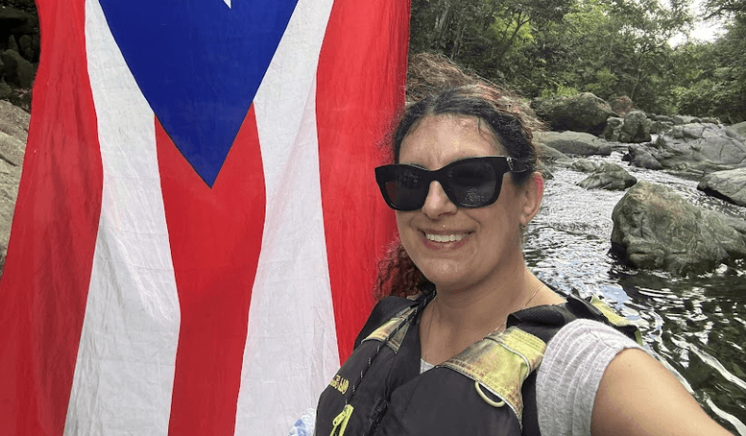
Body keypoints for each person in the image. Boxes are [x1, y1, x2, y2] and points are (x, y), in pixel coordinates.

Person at [306, 54, 733, 436]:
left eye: (470, 178)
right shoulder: (389, 321)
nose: (434, 206)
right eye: (411, 182)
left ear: (528, 198)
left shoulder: (582, 368)